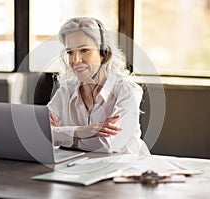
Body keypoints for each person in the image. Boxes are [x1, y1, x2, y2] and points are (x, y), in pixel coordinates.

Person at [47, 17, 149, 155]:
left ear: (103, 52)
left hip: (125, 170)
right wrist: (80, 131)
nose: (75, 60)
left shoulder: (128, 90)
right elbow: (40, 132)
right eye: (70, 52)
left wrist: (61, 135)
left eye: (84, 50)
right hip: (79, 168)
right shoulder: (67, 89)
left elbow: (108, 144)